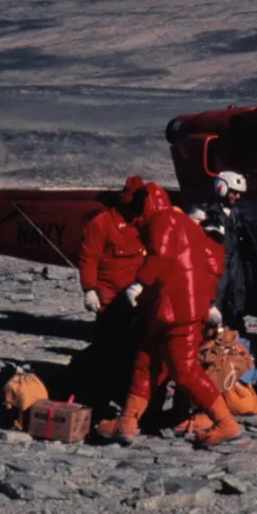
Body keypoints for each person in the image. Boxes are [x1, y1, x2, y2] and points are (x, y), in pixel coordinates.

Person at [96, 182, 242, 447]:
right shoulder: (186, 225)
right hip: (172, 309)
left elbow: (161, 253)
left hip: (175, 310)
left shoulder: (164, 220)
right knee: (146, 362)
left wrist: (139, 283)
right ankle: (128, 422)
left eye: (138, 209)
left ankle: (226, 423)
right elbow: (211, 263)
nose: (136, 217)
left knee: (185, 370)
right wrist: (207, 302)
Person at [68, 175, 148, 418]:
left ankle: (125, 396)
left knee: (133, 350)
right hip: (110, 298)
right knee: (107, 349)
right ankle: (97, 399)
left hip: (136, 299)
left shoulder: (142, 223)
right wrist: (89, 289)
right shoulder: (101, 223)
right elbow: (88, 257)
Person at [204, 170, 257, 334]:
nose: (237, 197)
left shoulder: (237, 214)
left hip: (234, 263)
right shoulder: (209, 213)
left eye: (239, 194)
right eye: (234, 193)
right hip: (218, 264)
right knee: (216, 299)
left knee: (235, 300)